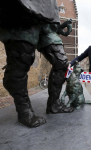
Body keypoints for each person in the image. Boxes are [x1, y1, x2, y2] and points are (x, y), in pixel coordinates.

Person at [0, 0, 74, 128]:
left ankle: (54, 105)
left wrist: (57, 27)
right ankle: (24, 111)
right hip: (23, 11)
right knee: (21, 62)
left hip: (46, 22)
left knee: (61, 62)